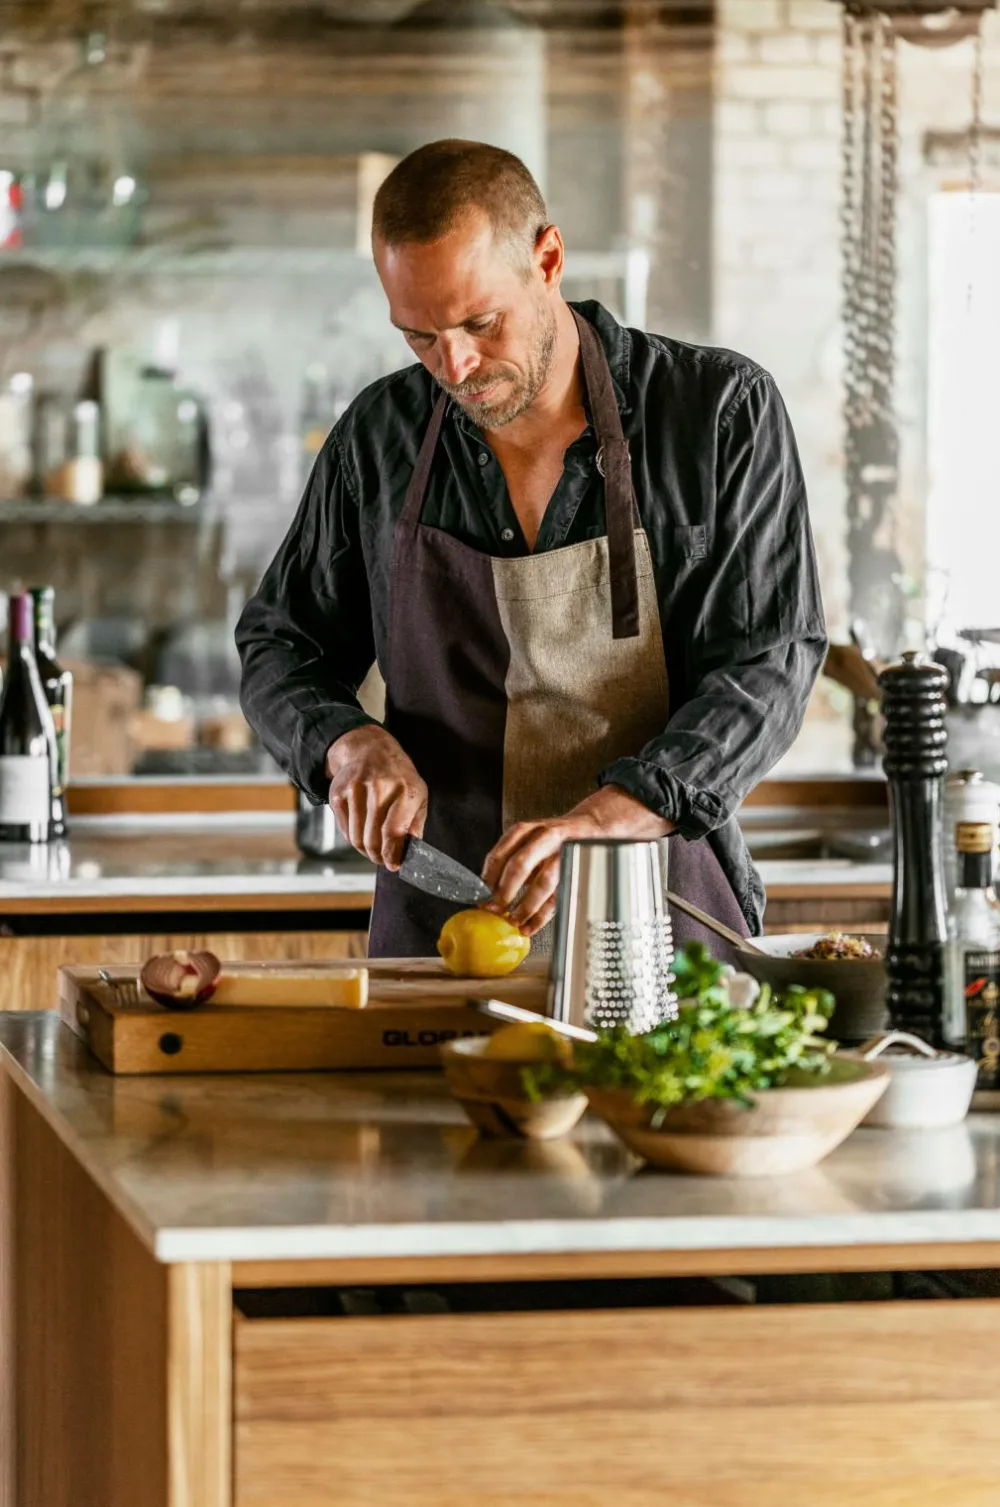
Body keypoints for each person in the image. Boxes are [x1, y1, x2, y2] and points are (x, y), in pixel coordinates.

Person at [237, 138, 827, 958]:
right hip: (445, 936)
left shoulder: (719, 414)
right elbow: (279, 644)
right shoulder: (379, 440)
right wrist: (345, 741)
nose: (457, 365)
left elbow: (769, 663)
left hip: (664, 921)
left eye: (480, 322)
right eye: (420, 337)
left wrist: (610, 818)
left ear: (547, 258)